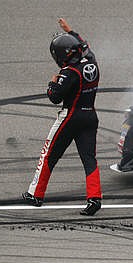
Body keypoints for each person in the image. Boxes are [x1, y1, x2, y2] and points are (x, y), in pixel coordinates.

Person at [22, 18, 102, 216]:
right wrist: (71, 31)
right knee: (89, 158)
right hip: (90, 116)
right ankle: (94, 198)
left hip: (70, 117)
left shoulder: (69, 72)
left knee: (49, 154)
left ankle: (36, 194)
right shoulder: (91, 62)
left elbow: (54, 97)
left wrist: (51, 83)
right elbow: (85, 46)